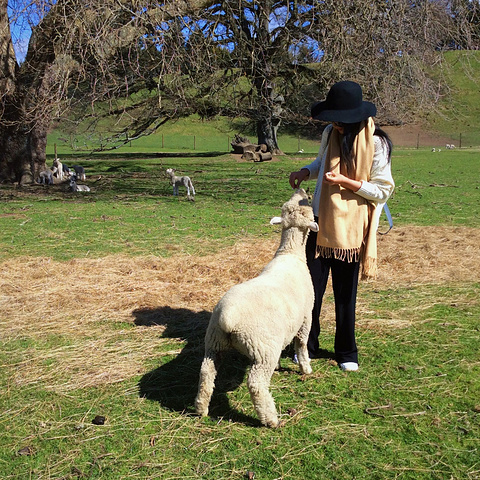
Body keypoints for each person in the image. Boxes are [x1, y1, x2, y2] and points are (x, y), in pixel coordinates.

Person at [289, 80, 394, 372]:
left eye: (340, 120)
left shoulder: (377, 144)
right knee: (311, 290)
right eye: (332, 119)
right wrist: (306, 171)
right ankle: (306, 346)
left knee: (346, 293)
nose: (334, 124)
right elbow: (322, 162)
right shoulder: (328, 133)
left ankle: (347, 351)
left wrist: (346, 183)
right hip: (320, 223)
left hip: (351, 227)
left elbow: (382, 189)